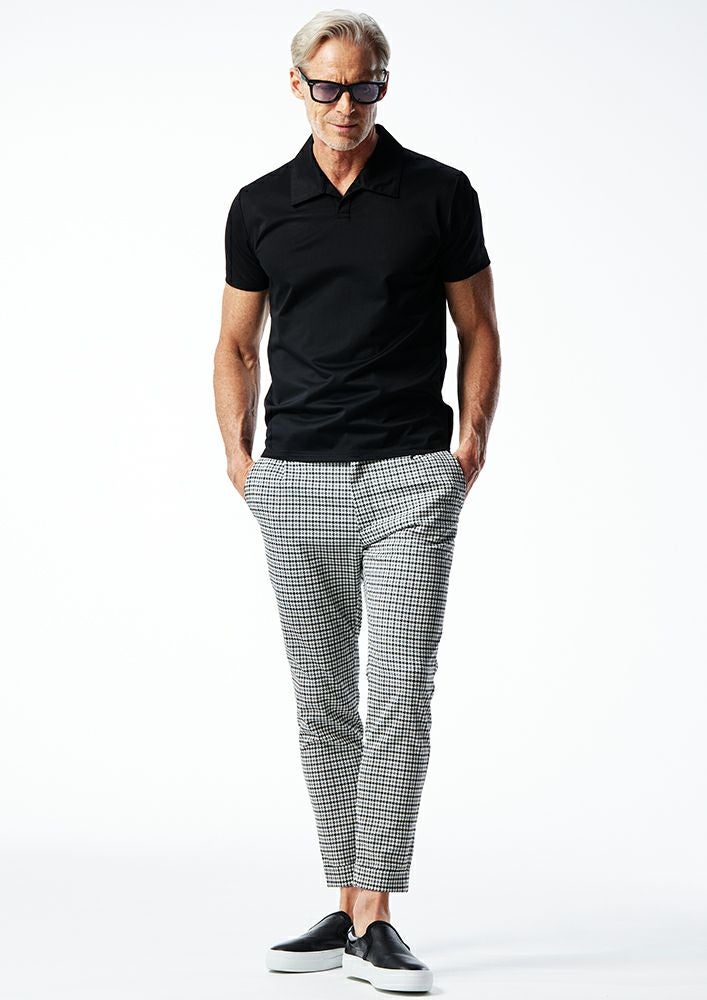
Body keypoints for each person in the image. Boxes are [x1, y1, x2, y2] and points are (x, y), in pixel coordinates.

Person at [213, 9, 500, 994]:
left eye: (365, 86)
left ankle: (374, 914)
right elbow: (235, 341)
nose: (346, 106)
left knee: (400, 694)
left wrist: (468, 444)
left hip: (408, 476)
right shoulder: (260, 205)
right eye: (329, 87)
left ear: (384, 84)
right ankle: (345, 903)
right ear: (297, 84)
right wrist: (239, 460)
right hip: (293, 476)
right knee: (322, 703)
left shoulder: (438, 193)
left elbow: (478, 326)